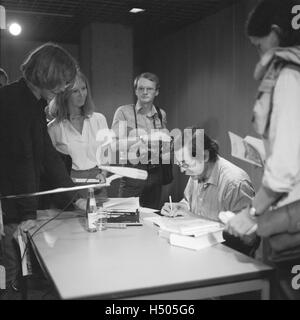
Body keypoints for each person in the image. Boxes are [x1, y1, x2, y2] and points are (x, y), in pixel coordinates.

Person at [224, 0, 300, 299]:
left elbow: (284, 169)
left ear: (275, 33)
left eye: (258, 46)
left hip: (291, 223)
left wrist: (252, 212)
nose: (259, 53)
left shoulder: (288, 76)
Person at [0, 43, 86, 299]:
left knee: (20, 270)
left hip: (16, 202)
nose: (64, 89)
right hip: (8, 206)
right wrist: (28, 211)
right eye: (62, 83)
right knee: (11, 272)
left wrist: (74, 196)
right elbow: (21, 161)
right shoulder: (14, 102)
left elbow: (47, 155)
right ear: (47, 75)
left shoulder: (30, 102)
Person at [161, 128, 258, 255]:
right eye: (179, 165)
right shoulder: (196, 173)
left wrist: (193, 217)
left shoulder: (235, 183)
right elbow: (189, 201)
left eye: (185, 164)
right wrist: (181, 207)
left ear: (205, 156)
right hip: (199, 248)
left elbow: (249, 238)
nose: (182, 171)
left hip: (228, 254)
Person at [112, 72, 171, 209]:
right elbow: (116, 144)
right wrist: (146, 138)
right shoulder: (123, 112)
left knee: (152, 217)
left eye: (149, 89)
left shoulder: (161, 114)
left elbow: (163, 143)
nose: (145, 92)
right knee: (126, 215)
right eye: (141, 88)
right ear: (136, 91)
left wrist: (167, 145)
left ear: (156, 92)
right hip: (133, 172)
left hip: (156, 172)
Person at [47, 71, 109, 201]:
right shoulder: (54, 128)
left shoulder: (98, 119)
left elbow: (106, 154)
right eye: (75, 91)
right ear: (64, 94)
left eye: (84, 88)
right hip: (70, 187)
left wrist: (103, 174)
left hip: (97, 185)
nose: (82, 95)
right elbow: (51, 166)